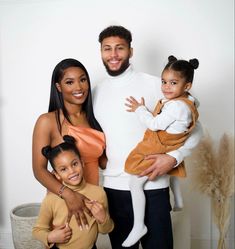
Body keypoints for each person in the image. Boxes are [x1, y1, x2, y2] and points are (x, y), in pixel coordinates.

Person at [93, 25, 203, 249]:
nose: (113, 54)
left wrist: (174, 157)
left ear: (131, 51)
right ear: (101, 52)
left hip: (154, 186)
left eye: (120, 48)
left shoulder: (159, 84)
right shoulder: (95, 93)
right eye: (107, 49)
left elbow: (196, 127)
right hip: (114, 190)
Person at [122, 55, 199, 247]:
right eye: (164, 81)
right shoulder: (189, 101)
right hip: (173, 144)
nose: (166, 87)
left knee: (135, 182)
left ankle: (139, 225)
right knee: (169, 165)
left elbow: (155, 124)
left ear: (187, 86)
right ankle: (178, 198)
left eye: (173, 83)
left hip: (160, 143)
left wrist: (140, 109)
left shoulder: (175, 107)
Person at [32, 58, 106, 241]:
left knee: (88, 242)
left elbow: (103, 161)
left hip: (92, 201)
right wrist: (69, 195)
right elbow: (39, 170)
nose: (78, 87)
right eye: (69, 82)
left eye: (83, 79)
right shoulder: (47, 121)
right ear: (58, 87)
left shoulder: (94, 119)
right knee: (66, 240)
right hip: (63, 202)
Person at [32, 135, 114, 249]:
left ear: (82, 162)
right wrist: (50, 237)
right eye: (63, 169)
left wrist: (102, 218)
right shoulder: (51, 199)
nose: (72, 171)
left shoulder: (98, 193)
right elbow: (37, 230)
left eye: (75, 164)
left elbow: (106, 230)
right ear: (56, 174)